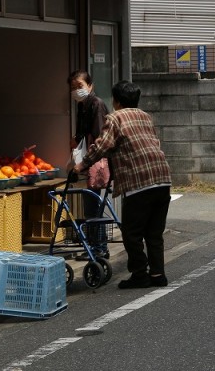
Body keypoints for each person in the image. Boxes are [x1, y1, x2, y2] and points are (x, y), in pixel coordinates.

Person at [73, 81, 171, 289]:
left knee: (132, 233)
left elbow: (102, 146)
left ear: (116, 101)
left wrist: (81, 164)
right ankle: (157, 274)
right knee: (154, 233)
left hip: (139, 183)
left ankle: (139, 275)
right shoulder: (146, 116)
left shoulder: (115, 118)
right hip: (162, 179)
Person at [68, 69, 110, 258]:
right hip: (87, 160)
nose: (77, 90)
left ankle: (98, 248)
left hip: (94, 160)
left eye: (80, 86)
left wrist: (83, 160)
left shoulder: (96, 104)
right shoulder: (82, 105)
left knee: (93, 205)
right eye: (73, 87)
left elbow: (99, 138)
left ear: (90, 86)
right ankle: (97, 246)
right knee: (91, 204)